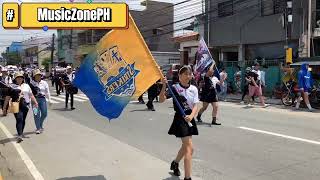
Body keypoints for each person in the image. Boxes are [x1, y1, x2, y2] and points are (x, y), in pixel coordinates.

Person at [159, 66, 199, 180]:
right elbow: (161, 100)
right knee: (189, 148)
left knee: (185, 146)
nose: (188, 76)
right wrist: (164, 85)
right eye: (185, 74)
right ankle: (188, 177)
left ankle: (175, 163)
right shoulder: (174, 88)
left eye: (189, 74)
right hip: (180, 119)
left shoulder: (194, 89)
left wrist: (191, 116)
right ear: (180, 76)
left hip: (189, 118)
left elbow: (196, 105)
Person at [11, 72, 38, 143]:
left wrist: (35, 102)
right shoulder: (12, 86)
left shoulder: (26, 86)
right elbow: (8, 97)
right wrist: (4, 107)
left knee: (23, 119)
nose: (19, 79)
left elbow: (31, 95)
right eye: (18, 78)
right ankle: (19, 135)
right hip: (15, 104)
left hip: (25, 104)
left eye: (21, 78)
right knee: (19, 118)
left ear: (23, 79)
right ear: (15, 79)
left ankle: (21, 132)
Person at [30, 69, 52, 134]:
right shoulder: (31, 83)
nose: (38, 76)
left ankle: (40, 124)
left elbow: (47, 92)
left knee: (44, 113)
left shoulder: (44, 83)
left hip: (42, 100)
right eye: (36, 75)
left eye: (39, 75)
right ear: (34, 76)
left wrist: (49, 99)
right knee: (36, 114)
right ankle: (38, 128)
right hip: (34, 100)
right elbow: (29, 93)